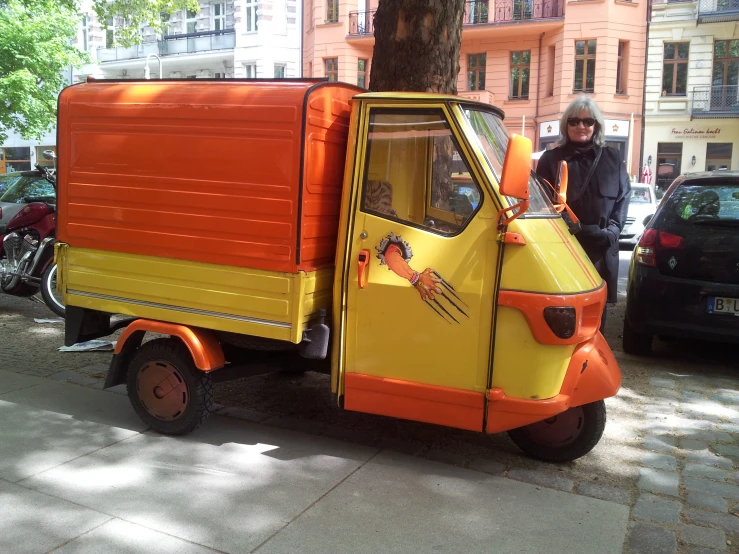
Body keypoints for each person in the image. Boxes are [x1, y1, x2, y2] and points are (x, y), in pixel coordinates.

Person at [536, 96, 631, 332]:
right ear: (565, 125)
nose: (581, 126)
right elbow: (542, 203)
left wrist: (612, 232)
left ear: (596, 126)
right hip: (565, 251)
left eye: (588, 122)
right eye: (574, 121)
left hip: (601, 251)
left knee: (596, 319)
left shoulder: (613, 158)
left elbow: (624, 197)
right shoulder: (551, 159)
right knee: (563, 313)